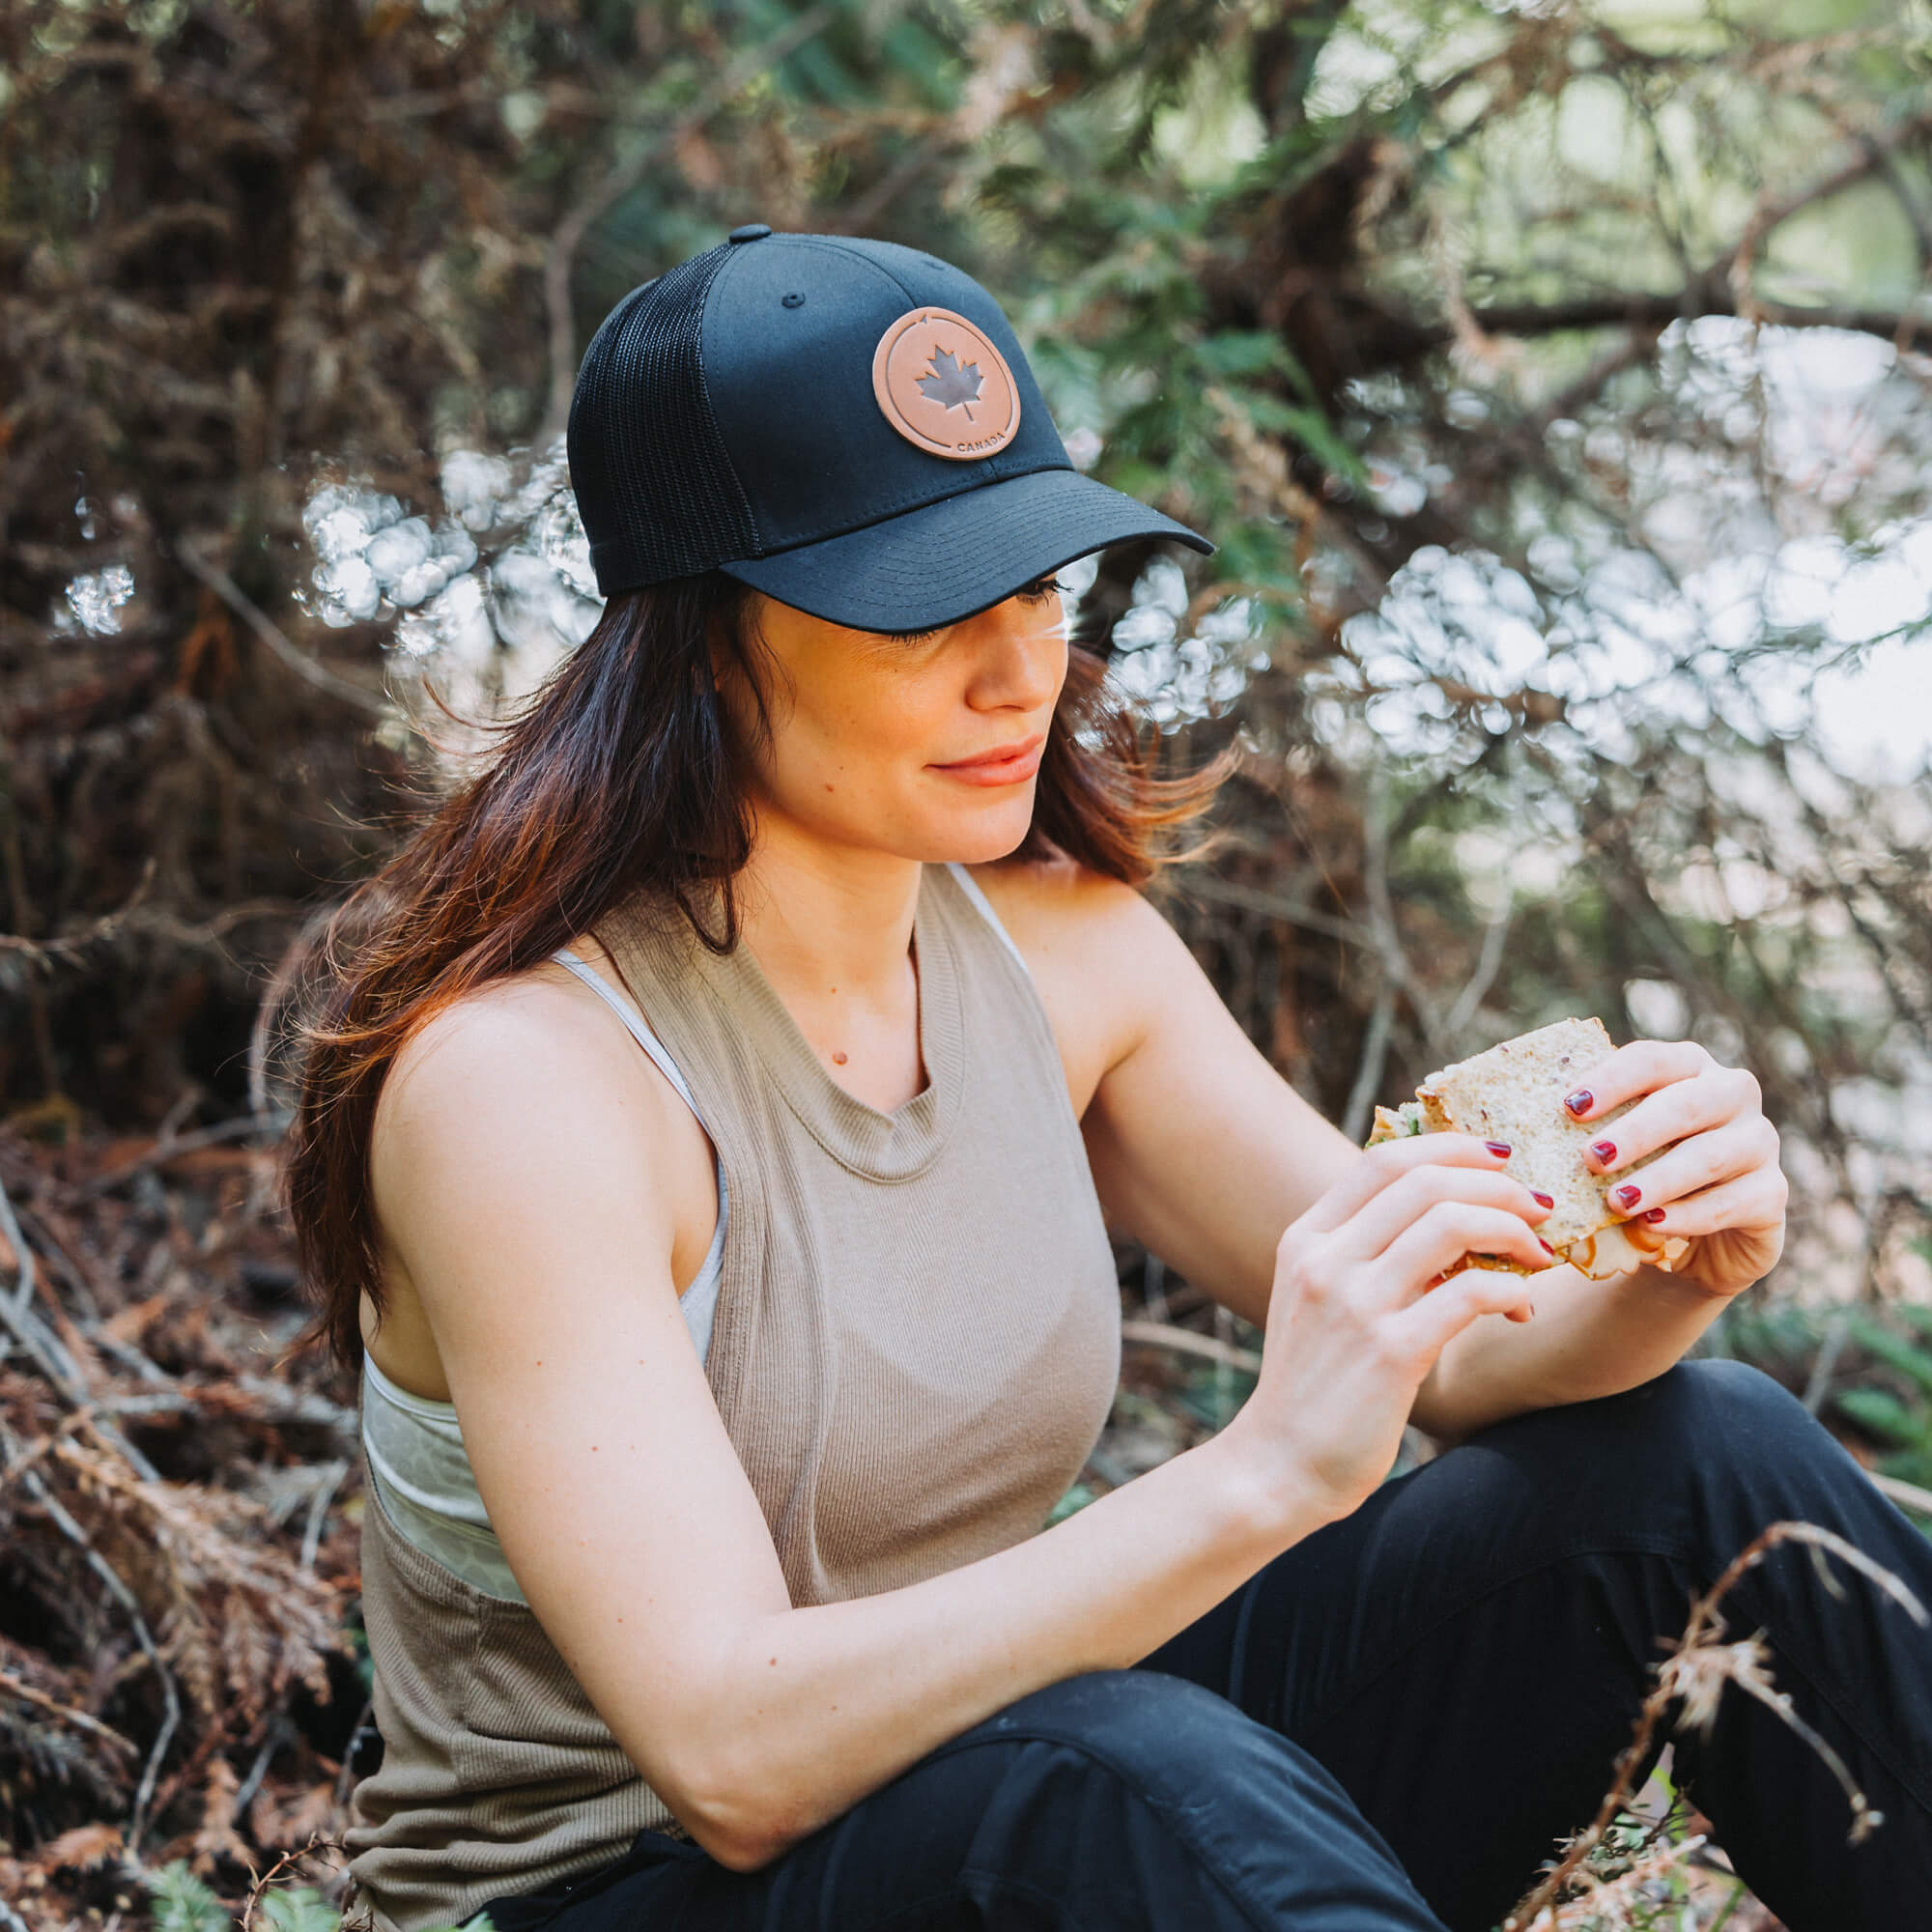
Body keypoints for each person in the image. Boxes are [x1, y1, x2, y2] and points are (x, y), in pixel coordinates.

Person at [286, 227, 1932, 1932]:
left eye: (1040, 589)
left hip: (1042, 1810)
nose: (1022, 675)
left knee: (1699, 1457)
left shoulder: (1068, 959)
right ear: (703, 641)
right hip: (631, 1886)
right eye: (924, 611)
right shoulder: (529, 1086)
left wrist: (1674, 1268)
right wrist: (1262, 1473)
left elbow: (1475, 1371)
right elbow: (728, 1747)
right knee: (1114, 1766)